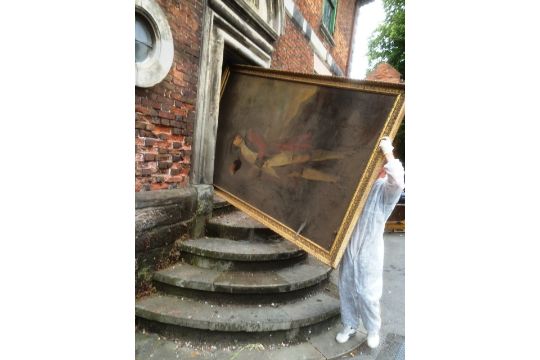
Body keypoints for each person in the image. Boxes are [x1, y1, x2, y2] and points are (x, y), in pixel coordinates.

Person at [335, 136, 405, 348]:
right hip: (349, 246)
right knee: (346, 288)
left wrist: (388, 153)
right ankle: (349, 324)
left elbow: (399, 181)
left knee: (368, 293)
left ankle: (373, 329)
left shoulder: (384, 190)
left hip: (370, 250)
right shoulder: (358, 186)